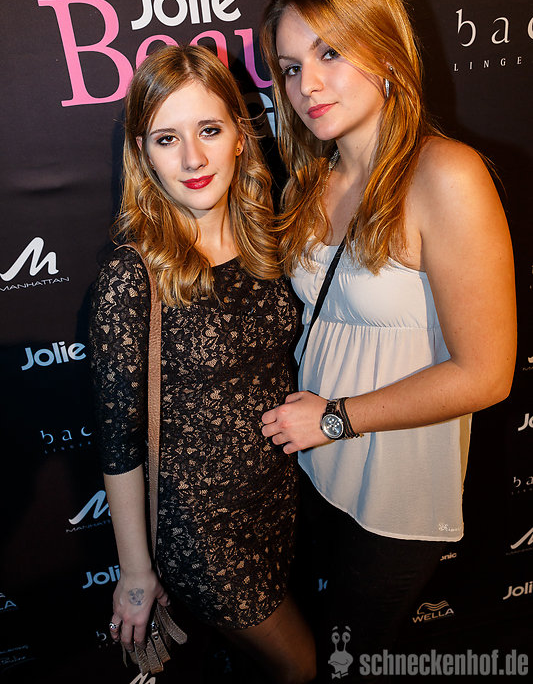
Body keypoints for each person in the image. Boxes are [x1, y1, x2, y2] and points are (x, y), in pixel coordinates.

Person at [259, 0, 516, 678]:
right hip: (314, 471)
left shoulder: (446, 175)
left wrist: (336, 418)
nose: (307, 85)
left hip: (393, 491)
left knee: (351, 659)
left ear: (387, 52)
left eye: (330, 53)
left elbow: (486, 375)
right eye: (290, 67)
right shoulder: (308, 183)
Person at [89, 44, 316, 684]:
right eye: (167, 139)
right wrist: (136, 572)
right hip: (201, 532)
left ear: (241, 136)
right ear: (143, 152)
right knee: (301, 666)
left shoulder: (270, 237)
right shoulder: (132, 275)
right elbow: (118, 441)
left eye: (209, 130)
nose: (192, 159)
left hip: (279, 501)